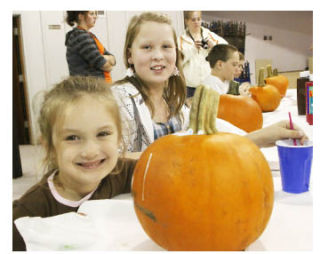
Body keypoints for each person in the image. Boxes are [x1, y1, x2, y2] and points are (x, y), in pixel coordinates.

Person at [111, 12, 307, 156]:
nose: (158, 56)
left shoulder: (174, 101)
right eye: (147, 47)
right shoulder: (117, 101)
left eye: (166, 47)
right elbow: (112, 161)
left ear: (176, 53)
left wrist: (261, 136)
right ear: (130, 55)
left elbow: (207, 130)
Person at [12, 76, 137, 251]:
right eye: (72, 138)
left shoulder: (120, 172)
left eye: (102, 134)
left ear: (118, 137)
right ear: (50, 147)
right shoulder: (29, 210)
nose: (90, 151)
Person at [178, 11, 228, 98]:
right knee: (190, 111)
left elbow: (227, 52)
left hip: (209, 87)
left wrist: (214, 47)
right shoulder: (181, 40)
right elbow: (177, 62)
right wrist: (192, 49)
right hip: (190, 88)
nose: (196, 22)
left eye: (199, 19)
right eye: (193, 20)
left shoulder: (210, 36)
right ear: (186, 21)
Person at [65, 11, 116, 83]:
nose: (95, 17)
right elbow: (105, 65)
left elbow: (113, 59)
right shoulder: (80, 36)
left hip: (98, 87)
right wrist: (107, 60)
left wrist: (105, 58)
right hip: (89, 89)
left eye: (96, 14)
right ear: (81, 16)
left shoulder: (89, 35)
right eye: (91, 14)